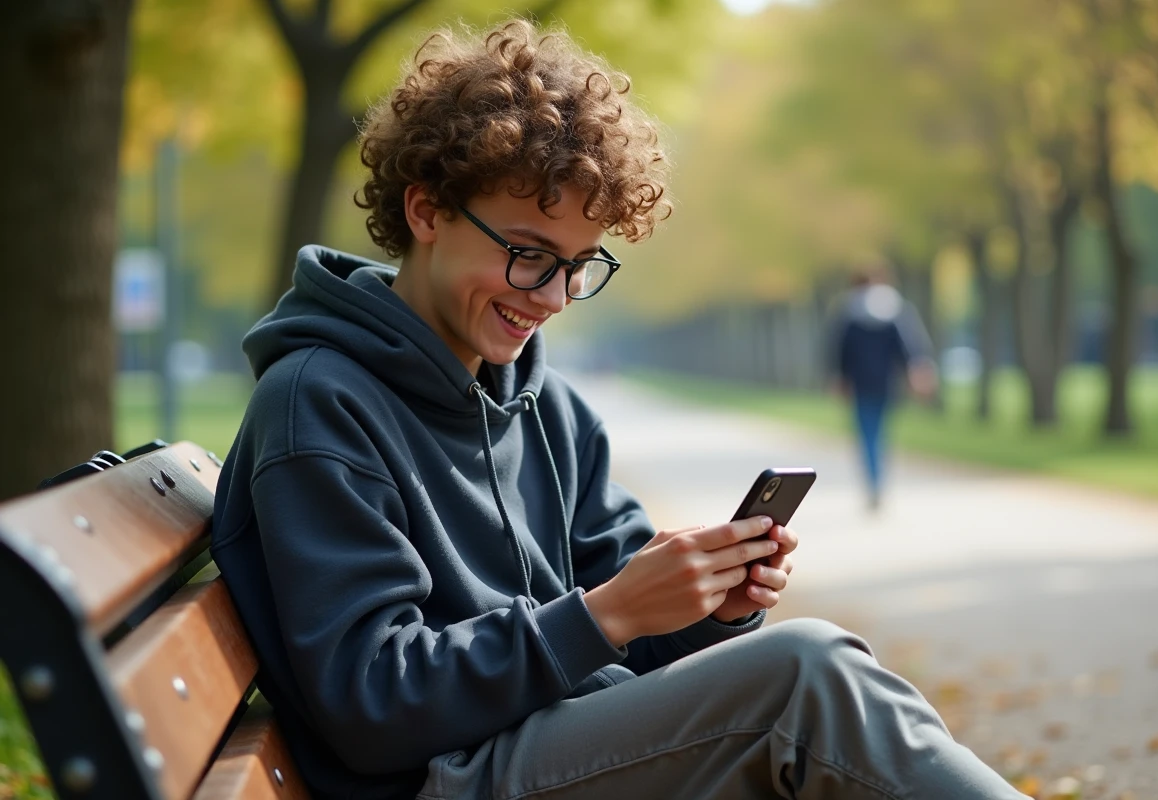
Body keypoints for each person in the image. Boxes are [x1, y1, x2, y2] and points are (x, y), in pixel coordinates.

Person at [211, 20, 1025, 800]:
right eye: (529, 255)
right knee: (806, 678)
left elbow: (625, 625)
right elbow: (373, 703)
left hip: (551, 744)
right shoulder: (317, 405)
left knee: (804, 670)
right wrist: (610, 612)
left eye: (578, 265)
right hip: (445, 778)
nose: (555, 297)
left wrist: (712, 608)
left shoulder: (546, 407)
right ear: (426, 212)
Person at [828, 268, 938, 510]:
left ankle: (874, 483)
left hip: (860, 383)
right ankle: (879, 482)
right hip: (888, 383)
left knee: (866, 435)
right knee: (881, 435)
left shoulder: (848, 312)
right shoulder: (895, 310)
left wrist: (839, 379)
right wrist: (917, 372)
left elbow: (839, 350)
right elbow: (909, 347)